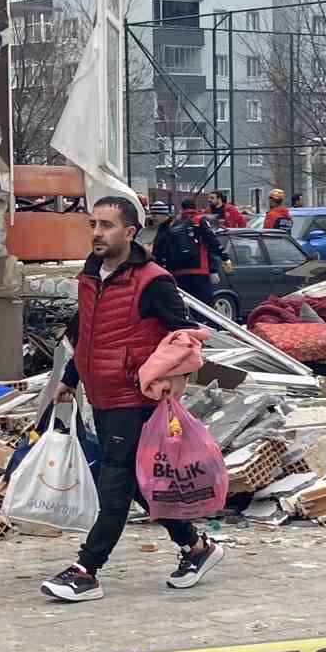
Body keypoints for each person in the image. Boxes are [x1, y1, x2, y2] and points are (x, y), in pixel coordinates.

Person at [41, 196, 224, 603]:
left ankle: (86, 570)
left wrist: (168, 375)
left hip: (134, 398)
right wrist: (70, 379)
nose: (97, 233)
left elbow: (186, 335)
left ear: (130, 232)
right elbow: (85, 332)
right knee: (142, 483)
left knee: (115, 484)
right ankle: (197, 548)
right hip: (101, 397)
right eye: (93, 224)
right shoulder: (91, 275)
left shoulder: (152, 280)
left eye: (106, 226)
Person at [152, 197, 230, 306]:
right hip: (199, 270)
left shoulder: (175, 224)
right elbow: (211, 240)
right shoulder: (199, 220)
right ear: (195, 207)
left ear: (182, 209)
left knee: (186, 305)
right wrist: (224, 258)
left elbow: (163, 248)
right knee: (204, 307)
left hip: (179, 272)